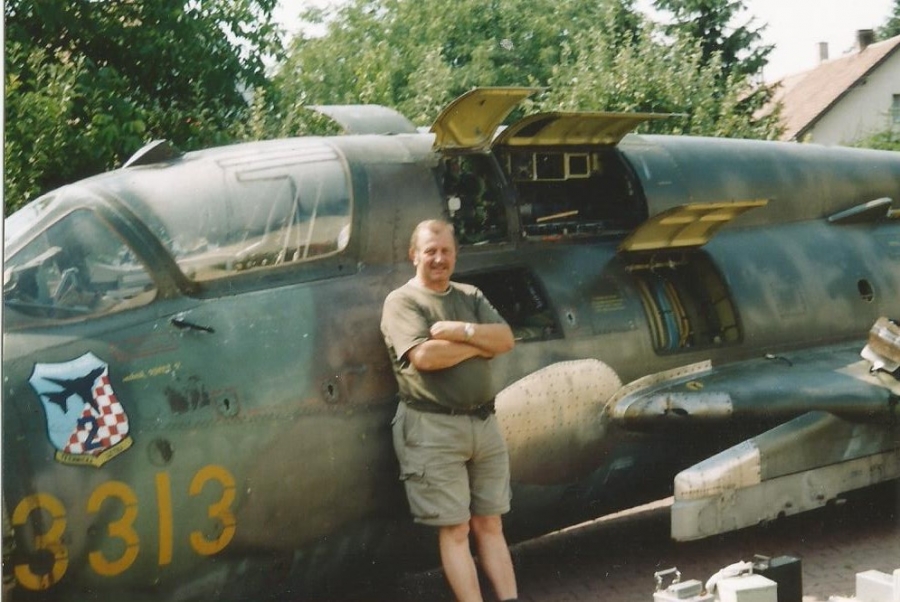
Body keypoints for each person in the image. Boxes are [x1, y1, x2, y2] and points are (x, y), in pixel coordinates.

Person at [380, 219, 518, 602]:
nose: (439, 259)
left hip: (483, 425)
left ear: (455, 254)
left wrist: (460, 331)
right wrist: (481, 344)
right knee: (456, 530)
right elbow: (425, 357)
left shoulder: (470, 295)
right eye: (430, 251)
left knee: (491, 523)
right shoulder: (402, 301)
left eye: (446, 251)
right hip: (433, 428)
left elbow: (506, 338)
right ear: (414, 255)